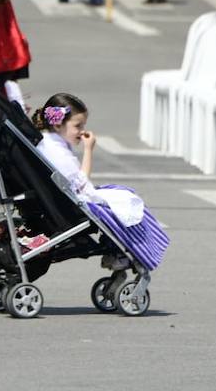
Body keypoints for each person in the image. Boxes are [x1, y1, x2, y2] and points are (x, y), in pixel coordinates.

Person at [31, 93, 169, 270]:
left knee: (120, 194)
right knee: (126, 200)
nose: (82, 131)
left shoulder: (46, 142)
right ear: (58, 123)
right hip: (72, 203)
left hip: (60, 198)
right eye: (77, 126)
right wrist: (89, 150)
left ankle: (120, 251)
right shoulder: (58, 152)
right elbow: (81, 183)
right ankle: (132, 252)